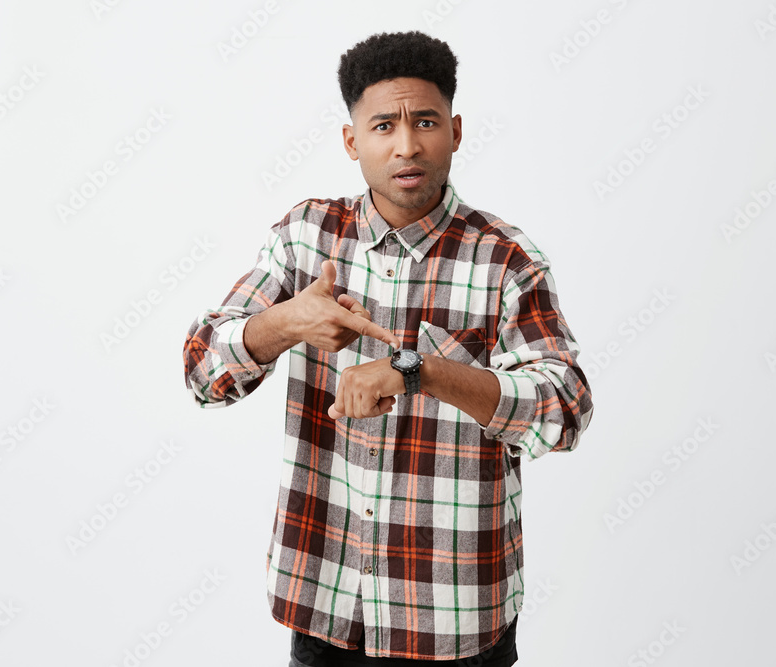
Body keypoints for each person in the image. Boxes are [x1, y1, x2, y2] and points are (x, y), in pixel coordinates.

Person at [182, 30, 594, 666]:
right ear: (352, 141)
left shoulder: (507, 261)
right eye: (383, 126)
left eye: (425, 121)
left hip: (452, 617)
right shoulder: (305, 238)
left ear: (455, 131)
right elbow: (202, 372)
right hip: (325, 606)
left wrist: (420, 371)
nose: (407, 145)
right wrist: (287, 322)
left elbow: (564, 411)